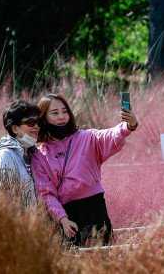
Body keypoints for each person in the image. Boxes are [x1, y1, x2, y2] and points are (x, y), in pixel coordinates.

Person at [31, 93, 139, 247]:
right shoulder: (39, 154)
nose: (61, 116)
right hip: (66, 215)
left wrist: (128, 126)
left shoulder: (86, 138)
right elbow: (46, 193)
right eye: (55, 113)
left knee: (102, 259)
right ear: (43, 118)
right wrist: (62, 219)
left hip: (95, 209)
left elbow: (109, 135)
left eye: (65, 111)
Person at [0, 100, 41, 205]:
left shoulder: (33, 155)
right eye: (30, 122)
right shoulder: (5, 156)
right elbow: (1, 200)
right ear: (15, 128)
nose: (36, 126)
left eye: (39, 122)